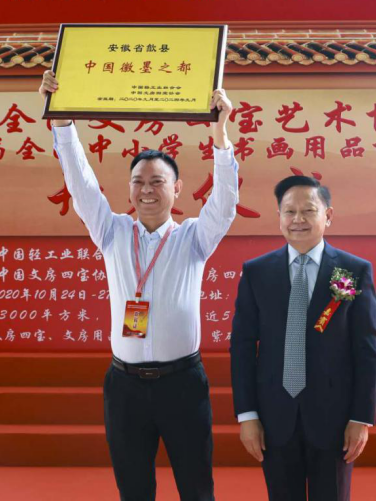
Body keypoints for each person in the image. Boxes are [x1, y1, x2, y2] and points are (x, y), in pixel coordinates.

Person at [39, 70, 238, 501]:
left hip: (182, 384)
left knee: (197, 488)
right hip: (124, 386)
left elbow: (224, 205)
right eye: (138, 182)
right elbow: (81, 183)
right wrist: (62, 119)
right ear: (129, 188)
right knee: (133, 490)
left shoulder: (193, 238)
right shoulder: (110, 232)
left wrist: (220, 136)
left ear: (177, 189)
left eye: (157, 182)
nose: (147, 190)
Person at [229, 175, 376, 501]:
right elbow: (242, 346)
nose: (298, 219)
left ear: (328, 215)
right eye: (289, 211)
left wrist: (361, 418)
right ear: (279, 217)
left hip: (335, 418)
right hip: (274, 417)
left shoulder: (353, 271)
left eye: (309, 210)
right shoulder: (257, 272)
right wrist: (247, 415)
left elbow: (366, 348)